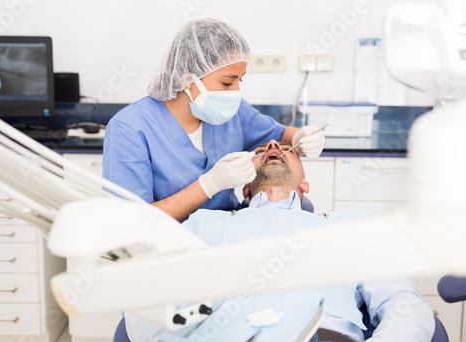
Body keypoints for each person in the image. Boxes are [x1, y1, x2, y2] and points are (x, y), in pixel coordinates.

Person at [124, 140, 435, 342]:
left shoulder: (349, 226)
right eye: (259, 151)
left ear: (305, 185)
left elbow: (404, 301)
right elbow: (143, 299)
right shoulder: (203, 223)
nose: (273, 145)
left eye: (289, 150)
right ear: (243, 186)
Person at [102, 18, 325, 222]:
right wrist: (209, 184)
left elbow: (279, 136)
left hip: (229, 236)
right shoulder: (130, 129)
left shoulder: (233, 112)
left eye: (240, 80)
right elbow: (132, 222)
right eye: (227, 83)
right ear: (189, 80)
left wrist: (301, 136)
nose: (236, 92)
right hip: (169, 246)